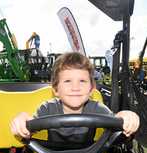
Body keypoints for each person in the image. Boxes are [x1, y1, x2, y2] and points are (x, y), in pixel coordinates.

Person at [11, 52, 139, 147]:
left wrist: (126, 116)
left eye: (82, 81)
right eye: (67, 81)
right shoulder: (47, 108)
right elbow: (28, 128)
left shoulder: (96, 108)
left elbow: (115, 123)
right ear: (55, 89)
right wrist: (22, 120)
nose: (75, 87)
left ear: (91, 89)